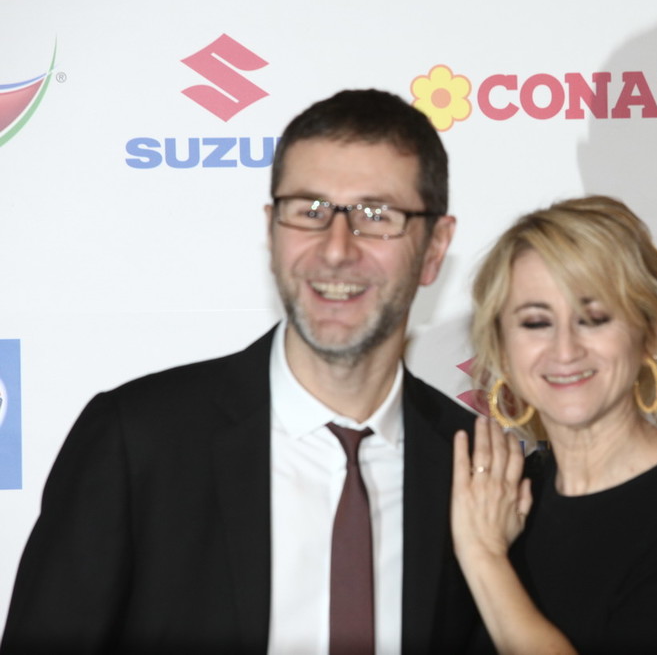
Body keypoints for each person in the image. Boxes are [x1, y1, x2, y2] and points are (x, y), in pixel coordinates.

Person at [1, 89, 480, 654]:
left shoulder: (477, 465)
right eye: (309, 211)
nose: (335, 249)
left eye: (376, 216)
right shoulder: (137, 441)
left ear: (434, 248)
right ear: (272, 230)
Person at [450, 196, 657, 653]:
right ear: (501, 349)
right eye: (536, 322)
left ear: (648, 333)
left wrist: (484, 558)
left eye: (593, 319)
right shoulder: (498, 497)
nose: (565, 350)